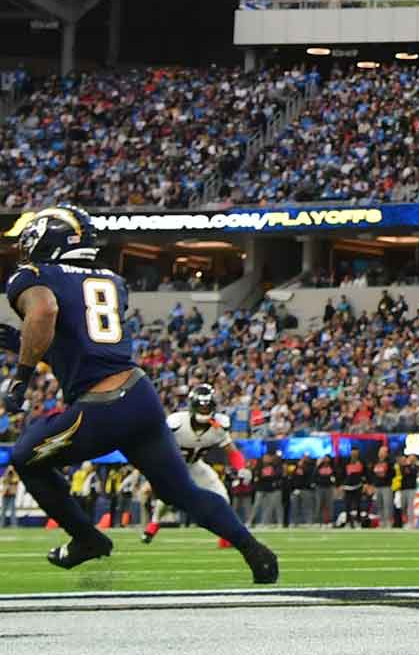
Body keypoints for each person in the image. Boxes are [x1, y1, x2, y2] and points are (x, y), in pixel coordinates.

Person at [0, 206, 276, 581]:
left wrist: (21, 377)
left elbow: (45, 311)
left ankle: (87, 539)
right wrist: (21, 343)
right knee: (181, 492)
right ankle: (255, 551)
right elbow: (83, 348)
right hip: (139, 397)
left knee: (26, 457)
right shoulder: (113, 281)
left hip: (103, 407)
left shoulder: (33, 275)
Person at [143, 384, 247, 547]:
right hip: (174, 465)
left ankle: (226, 536)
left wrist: (242, 468)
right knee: (167, 499)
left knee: (222, 496)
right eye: (201, 406)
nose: (204, 411)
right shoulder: (176, 423)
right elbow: (156, 444)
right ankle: (153, 525)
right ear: (192, 406)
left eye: (207, 407)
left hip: (196, 464)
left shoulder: (218, 427)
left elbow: (232, 451)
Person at [398, 454, 419, 529]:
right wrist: (405, 464)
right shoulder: (403, 466)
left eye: (413, 458)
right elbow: (402, 472)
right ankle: (405, 522)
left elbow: (413, 473)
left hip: (412, 489)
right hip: (403, 488)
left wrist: (409, 466)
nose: (411, 460)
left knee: (410, 507)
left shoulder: (417, 467)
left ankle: (411, 523)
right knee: (403, 506)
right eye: (410, 458)